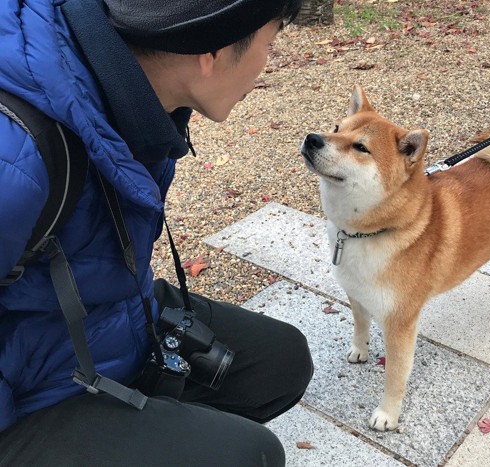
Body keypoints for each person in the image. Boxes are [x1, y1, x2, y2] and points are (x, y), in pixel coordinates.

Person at [0, 0, 313, 465]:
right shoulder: (17, 157)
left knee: (281, 361)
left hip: (93, 318)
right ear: (213, 50)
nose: (268, 64)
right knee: (249, 456)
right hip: (28, 387)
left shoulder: (130, 87)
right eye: (270, 44)